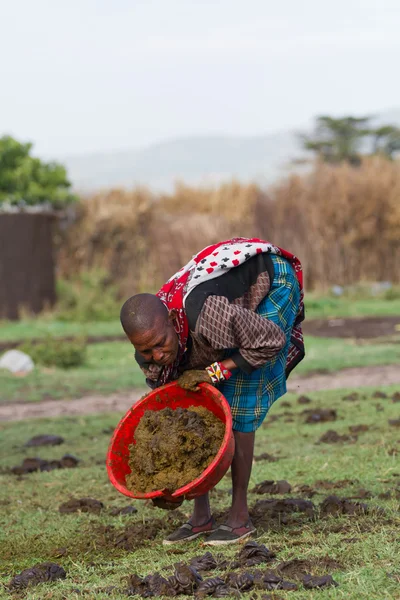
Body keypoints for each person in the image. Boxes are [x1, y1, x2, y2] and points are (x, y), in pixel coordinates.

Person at [120, 237, 305, 545]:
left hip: (271, 280)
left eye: (160, 344)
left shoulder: (208, 316)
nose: (156, 355)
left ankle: (240, 517)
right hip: (221, 312)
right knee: (192, 404)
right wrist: (173, 485)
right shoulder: (148, 356)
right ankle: (200, 518)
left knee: (240, 402)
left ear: (170, 320)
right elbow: (174, 412)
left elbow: (268, 342)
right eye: (145, 350)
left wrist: (215, 371)